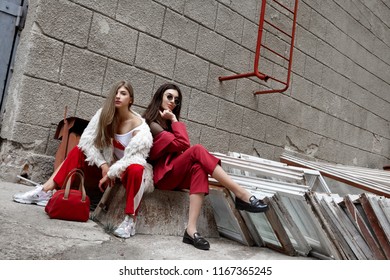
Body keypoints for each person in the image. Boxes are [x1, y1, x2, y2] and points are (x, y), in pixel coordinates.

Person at [13, 80, 154, 239]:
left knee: (137, 168)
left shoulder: (140, 127)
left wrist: (111, 172)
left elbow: (136, 158)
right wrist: (103, 164)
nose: (118, 96)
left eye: (123, 93)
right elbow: (86, 141)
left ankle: (130, 221)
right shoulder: (104, 114)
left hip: (126, 170)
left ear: (131, 99)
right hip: (108, 167)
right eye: (116, 92)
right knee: (79, 151)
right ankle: (45, 192)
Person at [143, 83, 268, 250]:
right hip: (163, 176)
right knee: (198, 149)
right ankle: (240, 193)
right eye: (169, 97)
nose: (173, 102)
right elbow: (183, 144)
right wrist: (174, 120)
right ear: (159, 98)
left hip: (174, 173)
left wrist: (173, 122)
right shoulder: (152, 124)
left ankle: (191, 230)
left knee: (199, 168)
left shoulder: (168, 124)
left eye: (177, 100)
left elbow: (181, 147)